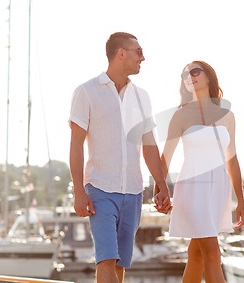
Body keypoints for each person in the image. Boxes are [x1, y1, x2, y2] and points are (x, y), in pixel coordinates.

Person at [69, 32, 172, 283]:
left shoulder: (142, 96)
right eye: (138, 51)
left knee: (119, 266)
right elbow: (76, 145)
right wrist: (79, 191)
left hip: (133, 192)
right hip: (100, 188)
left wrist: (161, 184)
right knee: (106, 259)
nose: (143, 57)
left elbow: (149, 145)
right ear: (121, 53)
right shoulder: (86, 92)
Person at [157, 60, 244, 282]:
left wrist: (241, 201)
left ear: (208, 76)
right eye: (184, 74)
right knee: (213, 252)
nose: (189, 76)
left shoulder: (227, 115)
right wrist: (160, 190)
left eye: (194, 71)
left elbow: (232, 160)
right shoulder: (181, 115)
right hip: (193, 188)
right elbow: (164, 158)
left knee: (196, 254)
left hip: (218, 189)